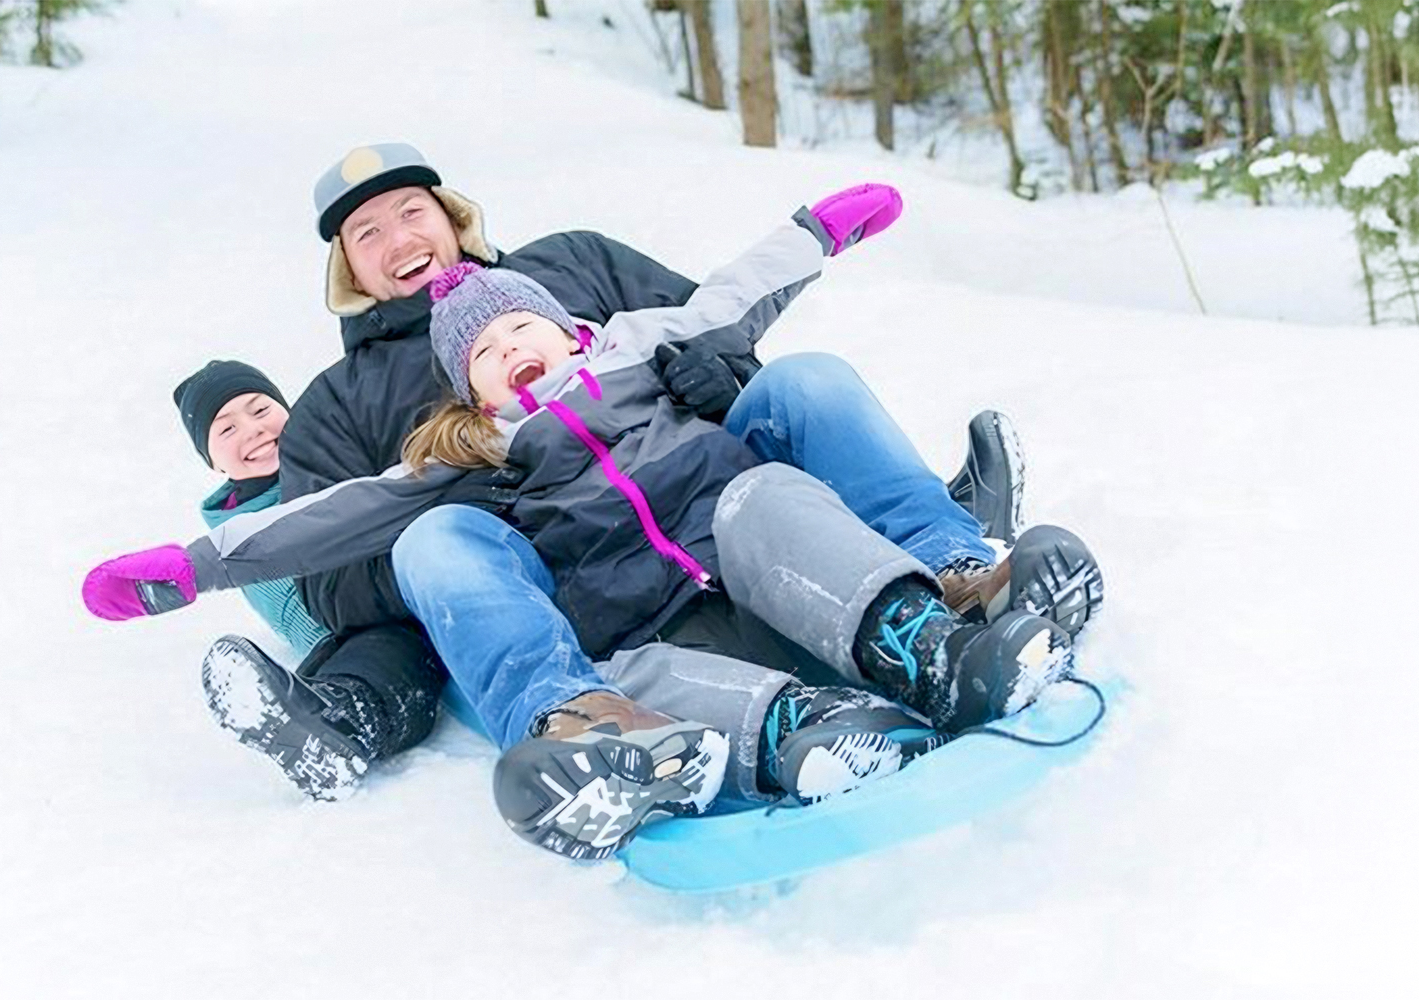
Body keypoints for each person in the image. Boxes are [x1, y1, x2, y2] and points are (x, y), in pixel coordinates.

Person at [84, 182, 1100, 858]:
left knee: (777, 459)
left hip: (756, 546)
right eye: (366, 232)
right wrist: (192, 565)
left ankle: (941, 614)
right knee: (564, 624)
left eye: (406, 212)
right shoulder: (393, 423)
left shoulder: (609, 317)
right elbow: (330, 528)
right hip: (617, 607)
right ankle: (766, 737)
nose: (512, 348)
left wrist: (816, 233)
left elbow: (730, 300)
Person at [166, 360, 447, 799]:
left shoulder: (336, 456)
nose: (252, 430)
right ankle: (337, 724)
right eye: (226, 430)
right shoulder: (237, 534)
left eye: (261, 411)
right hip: (366, 627)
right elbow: (314, 622)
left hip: (426, 568)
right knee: (389, 657)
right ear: (213, 464)